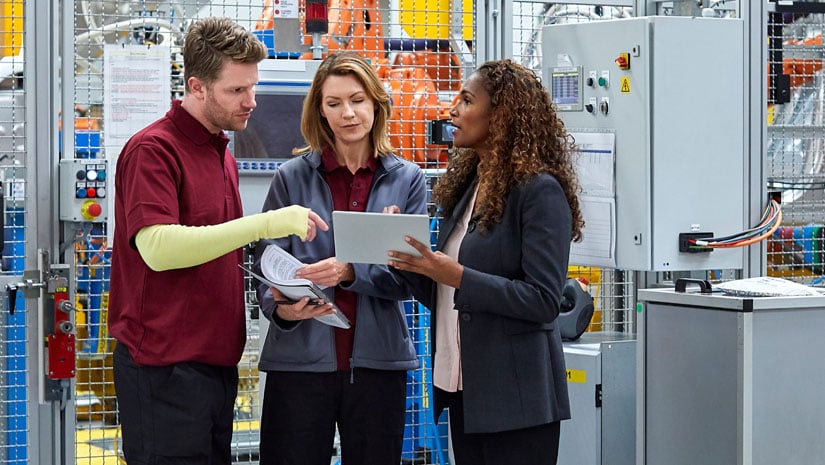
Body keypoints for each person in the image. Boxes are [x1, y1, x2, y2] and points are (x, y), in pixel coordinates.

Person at [108, 17, 328, 465]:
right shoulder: (153, 150)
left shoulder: (220, 151)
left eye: (252, 87)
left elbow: (213, 250)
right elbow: (159, 247)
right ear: (197, 86)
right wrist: (264, 225)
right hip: (164, 371)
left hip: (214, 368)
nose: (251, 101)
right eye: (236, 91)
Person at [388, 59, 585, 465]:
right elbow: (451, 297)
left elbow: (543, 300)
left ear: (501, 115)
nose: (451, 110)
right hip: (468, 393)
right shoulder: (469, 186)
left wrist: (457, 275)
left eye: (465, 100)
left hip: (517, 402)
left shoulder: (539, 192)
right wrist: (409, 263)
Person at [253, 51, 426, 465]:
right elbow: (266, 267)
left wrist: (351, 272)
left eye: (357, 100)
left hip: (378, 365)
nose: (348, 113)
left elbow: (415, 278)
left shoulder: (407, 179)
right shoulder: (290, 178)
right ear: (321, 112)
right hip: (299, 365)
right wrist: (283, 310)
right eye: (334, 104)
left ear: (376, 104)